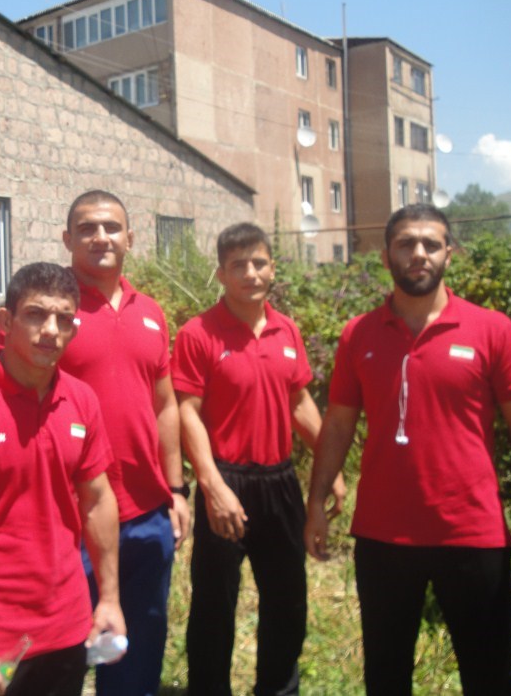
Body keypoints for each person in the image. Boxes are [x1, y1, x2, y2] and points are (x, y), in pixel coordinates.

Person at [304, 204, 511, 695]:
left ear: (449, 254)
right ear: (385, 257)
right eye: (406, 244)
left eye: (431, 244)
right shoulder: (359, 334)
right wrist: (315, 501)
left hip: (472, 533)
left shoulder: (491, 329)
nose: (419, 253)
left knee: (490, 678)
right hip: (382, 536)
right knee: (386, 677)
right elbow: (337, 424)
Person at [0, 262, 125, 696]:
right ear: (6, 321)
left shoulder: (81, 400)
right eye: (36, 314)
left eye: (64, 319)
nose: (51, 330)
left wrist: (109, 598)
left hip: (67, 630)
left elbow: (97, 501)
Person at [171, 223, 345, 696]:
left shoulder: (287, 329)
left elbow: (299, 402)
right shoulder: (198, 334)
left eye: (259, 263)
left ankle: (278, 689)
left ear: (272, 268)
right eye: (238, 265)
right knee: (214, 604)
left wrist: (330, 466)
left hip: (280, 482)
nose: (251, 273)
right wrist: (212, 486)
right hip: (225, 479)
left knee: (288, 601)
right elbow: (187, 413)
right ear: (221, 274)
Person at [59, 190, 190, 696]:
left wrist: (176, 489)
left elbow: (165, 405)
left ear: (130, 238)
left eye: (111, 227)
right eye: (87, 228)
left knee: (135, 652)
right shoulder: (50, 309)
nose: (101, 237)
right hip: (71, 517)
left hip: (145, 513)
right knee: (62, 657)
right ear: (67, 239)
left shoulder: (150, 312)